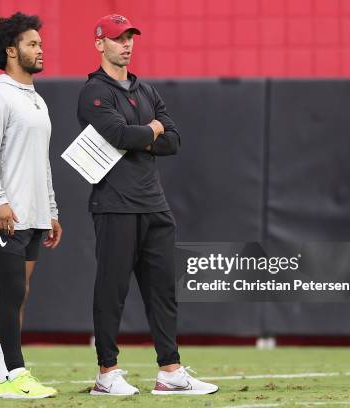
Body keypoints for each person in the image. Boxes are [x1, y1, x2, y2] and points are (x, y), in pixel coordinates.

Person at [76, 14, 218, 396]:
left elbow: (173, 140)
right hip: (114, 204)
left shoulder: (147, 89)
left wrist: (145, 135)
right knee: (112, 291)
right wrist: (151, 130)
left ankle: (170, 372)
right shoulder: (95, 92)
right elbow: (119, 133)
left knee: (162, 291)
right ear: (99, 43)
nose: (127, 44)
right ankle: (107, 374)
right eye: (119, 38)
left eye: (130, 37)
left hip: (154, 204)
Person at [0, 11, 62, 399]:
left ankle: (7, 375)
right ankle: (13, 375)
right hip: (5, 215)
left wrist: (52, 210)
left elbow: (42, 161)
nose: (40, 50)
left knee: (20, 292)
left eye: (40, 43)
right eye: (32, 44)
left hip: (34, 214)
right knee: (11, 292)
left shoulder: (36, 101)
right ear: (11, 51)